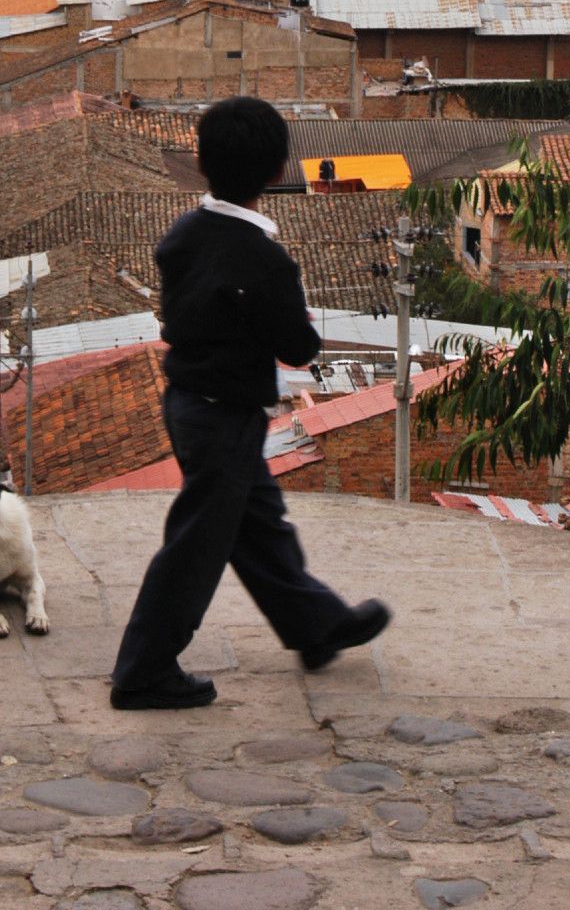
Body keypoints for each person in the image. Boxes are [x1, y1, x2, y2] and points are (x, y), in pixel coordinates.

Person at [109, 96, 390, 712]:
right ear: (276, 171)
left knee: (257, 523)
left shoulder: (182, 236)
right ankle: (143, 669)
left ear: (202, 164)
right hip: (224, 415)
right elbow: (298, 347)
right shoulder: (264, 259)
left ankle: (316, 626)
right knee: (197, 544)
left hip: (188, 403)